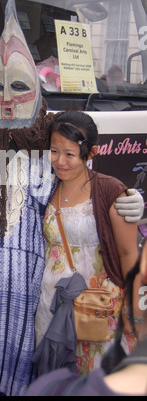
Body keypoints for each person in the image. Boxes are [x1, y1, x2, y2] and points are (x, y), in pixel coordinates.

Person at [0, 0, 144, 396]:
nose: (6, 98)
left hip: (31, 278)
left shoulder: (48, 137)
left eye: (20, 86)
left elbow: (84, 180)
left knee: (20, 358)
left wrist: (130, 199)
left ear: (38, 90)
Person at [34, 110, 141, 376]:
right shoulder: (46, 188)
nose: (60, 161)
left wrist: (133, 308)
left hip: (99, 309)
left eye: (70, 154)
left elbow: (129, 252)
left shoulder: (109, 190)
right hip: (54, 307)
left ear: (90, 153)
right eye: (54, 151)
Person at [27, 236, 147, 396]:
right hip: (52, 304)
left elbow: (128, 253)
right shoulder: (46, 208)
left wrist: (136, 310)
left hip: (95, 308)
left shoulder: (112, 209)